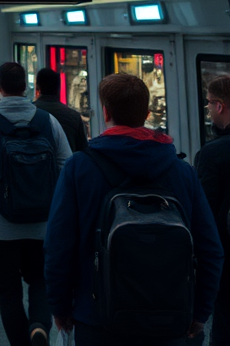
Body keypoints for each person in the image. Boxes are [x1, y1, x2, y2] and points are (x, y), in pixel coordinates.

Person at [46, 72, 223, 346]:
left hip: (97, 315)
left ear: (105, 113)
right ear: (147, 113)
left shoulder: (79, 168)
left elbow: (59, 245)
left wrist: (60, 307)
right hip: (170, 315)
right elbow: (210, 249)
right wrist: (200, 312)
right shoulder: (182, 172)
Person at [0, 61, 71, 346]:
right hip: (43, 224)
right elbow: (67, 168)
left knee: (8, 291)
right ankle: (39, 327)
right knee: (40, 282)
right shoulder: (49, 122)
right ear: (26, 87)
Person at [196, 75, 230, 346]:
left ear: (219, 106)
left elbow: (205, 218)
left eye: (208, 103)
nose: (207, 109)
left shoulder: (213, 154)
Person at [34, 67, 88, 152]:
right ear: (58, 89)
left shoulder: (29, 113)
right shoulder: (74, 117)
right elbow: (83, 150)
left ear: (37, 89)